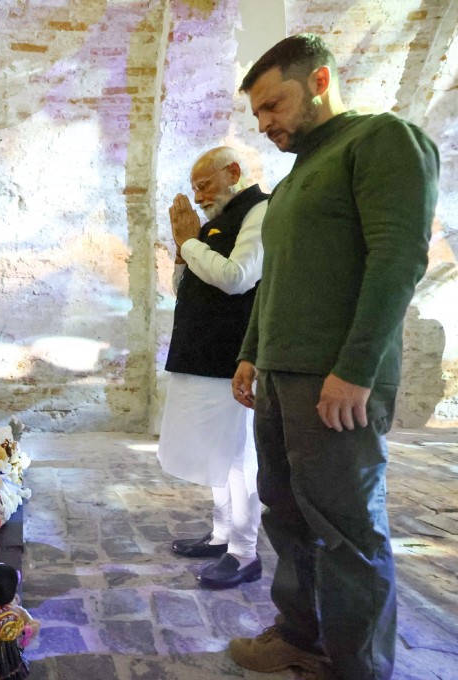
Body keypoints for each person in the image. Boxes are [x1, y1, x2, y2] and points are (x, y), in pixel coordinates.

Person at [229, 34, 439, 680]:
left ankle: (360, 668)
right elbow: (277, 281)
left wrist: (355, 370)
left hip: (338, 380)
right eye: (258, 114)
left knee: (347, 529)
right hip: (281, 380)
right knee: (286, 512)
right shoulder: (292, 185)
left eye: (274, 105)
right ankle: (300, 634)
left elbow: (397, 261)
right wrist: (249, 353)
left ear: (319, 81)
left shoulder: (381, 141)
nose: (265, 124)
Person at [158, 146, 267, 589]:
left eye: (204, 184)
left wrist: (189, 242)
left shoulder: (259, 212)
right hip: (204, 354)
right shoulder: (214, 223)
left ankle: (244, 553)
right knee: (217, 451)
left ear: (233, 173)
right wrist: (184, 254)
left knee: (240, 456)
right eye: (195, 187)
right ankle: (223, 534)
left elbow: (239, 276)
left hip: (234, 356)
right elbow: (187, 287)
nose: (199, 196)